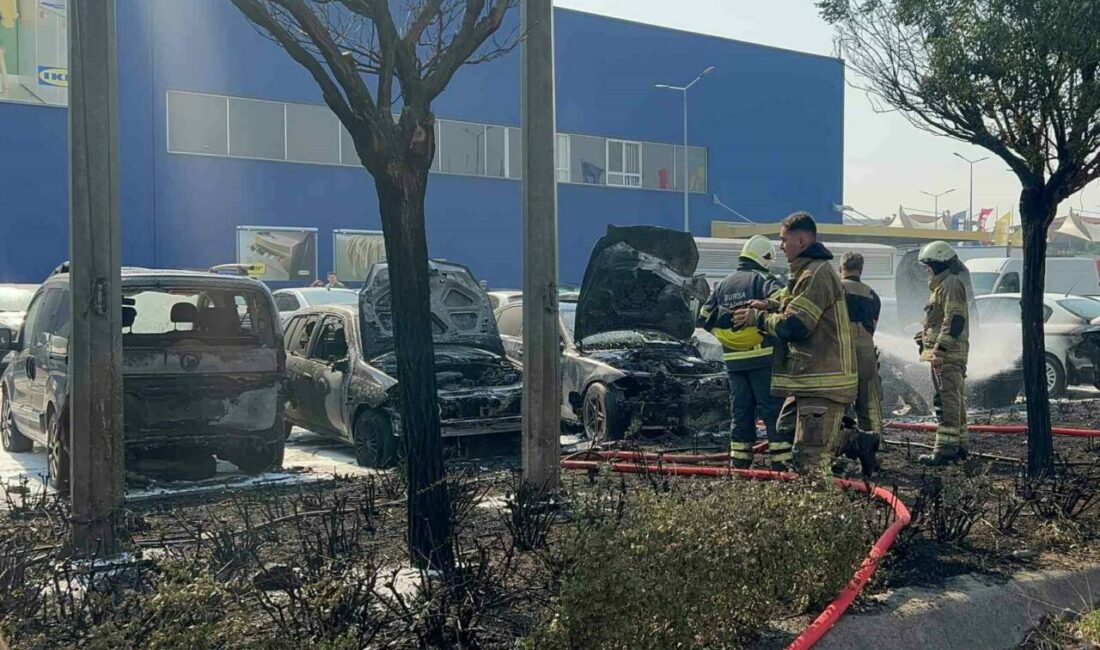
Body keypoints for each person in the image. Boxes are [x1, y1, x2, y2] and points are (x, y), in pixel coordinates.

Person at [733, 212, 857, 474]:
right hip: (807, 379)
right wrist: (770, 304)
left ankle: (820, 509)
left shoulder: (815, 273)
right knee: (786, 430)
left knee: (808, 458)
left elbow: (795, 325)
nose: (780, 246)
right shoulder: (806, 272)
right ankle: (852, 441)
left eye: (783, 240)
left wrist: (758, 317)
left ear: (801, 241)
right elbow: (795, 304)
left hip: (822, 381)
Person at [698, 235, 790, 469]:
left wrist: (728, 326)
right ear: (764, 257)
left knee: (740, 411)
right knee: (771, 410)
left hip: (734, 361)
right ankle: (781, 464)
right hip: (762, 358)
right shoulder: (762, 279)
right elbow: (785, 302)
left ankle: (740, 463)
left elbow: (703, 318)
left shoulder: (723, 284)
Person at [914, 241, 970, 465]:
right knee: (953, 400)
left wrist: (940, 350)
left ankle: (945, 451)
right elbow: (941, 319)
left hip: (947, 356)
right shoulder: (943, 285)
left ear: (939, 263)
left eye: (929, 265)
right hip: (945, 354)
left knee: (946, 401)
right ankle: (960, 448)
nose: (927, 269)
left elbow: (954, 319)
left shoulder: (950, 284)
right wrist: (924, 335)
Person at [839, 251, 883, 476]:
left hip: (840, 350)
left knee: (838, 403)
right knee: (868, 405)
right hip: (866, 350)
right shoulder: (872, 295)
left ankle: (841, 450)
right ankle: (872, 456)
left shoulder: (835, 290)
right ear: (861, 269)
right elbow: (872, 327)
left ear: (841, 267)